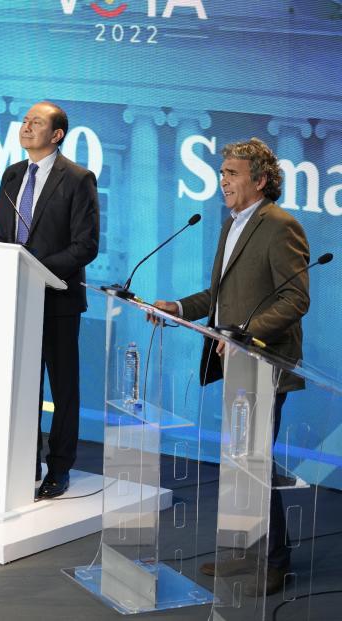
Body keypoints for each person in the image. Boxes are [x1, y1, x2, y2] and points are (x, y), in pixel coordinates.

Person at [151, 138, 309, 596]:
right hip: (235, 365)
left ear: (260, 180)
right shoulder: (231, 224)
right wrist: (177, 306)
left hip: (263, 363)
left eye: (232, 173)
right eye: (222, 173)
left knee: (256, 462)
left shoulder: (280, 226)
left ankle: (275, 564)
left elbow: (295, 298)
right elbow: (219, 295)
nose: (223, 181)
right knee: (241, 463)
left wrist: (247, 332)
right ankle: (245, 551)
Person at [0, 101, 100, 498]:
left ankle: (59, 467)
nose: (26, 126)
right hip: (15, 297)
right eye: (24, 121)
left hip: (56, 298)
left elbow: (85, 245)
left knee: (63, 387)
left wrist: (37, 269)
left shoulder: (78, 178)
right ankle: (25, 460)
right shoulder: (13, 174)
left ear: (56, 135)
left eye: (36, 122)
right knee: (22, 384)